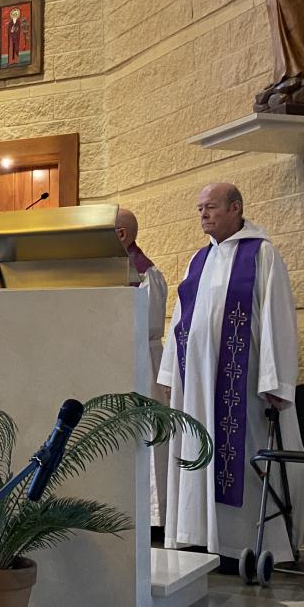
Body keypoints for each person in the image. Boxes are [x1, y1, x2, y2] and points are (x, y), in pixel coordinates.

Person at [157, 184, 304, 564]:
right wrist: (173, 371)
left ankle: (243, 545)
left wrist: (276, 381)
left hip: (243, 384)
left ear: (236, 208)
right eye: (199, 209)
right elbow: (180, 318)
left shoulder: (262, 255)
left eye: (210, 207)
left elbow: (277, 318)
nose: (203, 215)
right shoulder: (198, 259)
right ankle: (201, 538)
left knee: (241, 457)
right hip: (198, 387)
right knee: (197, 452)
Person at [115, 207, 170, 532]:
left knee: (146, 437)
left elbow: (147, 322)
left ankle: (151, 517)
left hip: (142, 364)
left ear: (121, 234)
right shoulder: (110, 269)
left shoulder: (146, 274)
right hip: (119, 359)